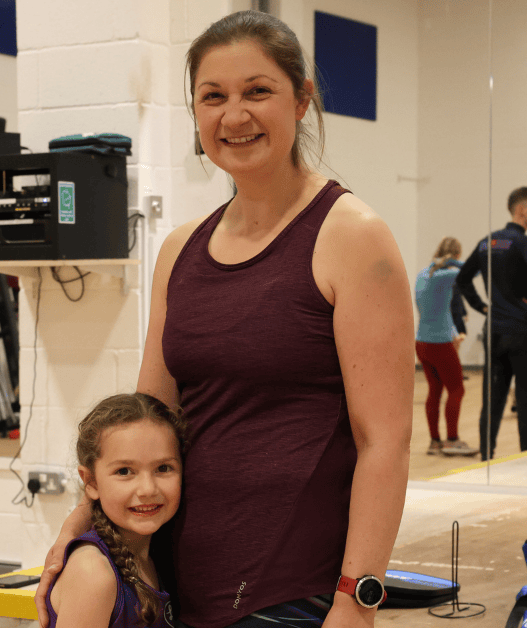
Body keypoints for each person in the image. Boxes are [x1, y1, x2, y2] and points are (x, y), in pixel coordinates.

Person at [37, 10, 414, 628]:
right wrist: (89, 512)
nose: (234, 116)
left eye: (257, 91)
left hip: (295, 590)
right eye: (213, 97)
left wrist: (356, 598)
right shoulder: (179, 249)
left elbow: (386, 442)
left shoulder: (352, 237)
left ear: (301, 101)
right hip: (181, 578)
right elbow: (148, 416)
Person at [44, 393, 185, 628]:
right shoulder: (93, 572)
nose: (148, 489)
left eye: (163, 467)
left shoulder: (154, 555)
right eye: (124, 471)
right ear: (91, 481)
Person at [455, 187, 527, 461]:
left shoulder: (488, 242)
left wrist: (483, 308)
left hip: (495, 334)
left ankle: (486, 458)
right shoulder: (523, 242)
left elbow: (462, 279)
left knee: (492, 401)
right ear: (521, 210)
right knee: (526, 402)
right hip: (523, 333)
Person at [414, 237, 477, 457]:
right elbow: (474, 271)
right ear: (456, 255)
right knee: (457, 390)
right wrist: (454, 263)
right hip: (439, 344)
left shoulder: (423, 274)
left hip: (421, 343)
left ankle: (435, 442)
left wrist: (453, 333)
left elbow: (437, 310)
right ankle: (452, 440)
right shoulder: (447, 274)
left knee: (435, 390)